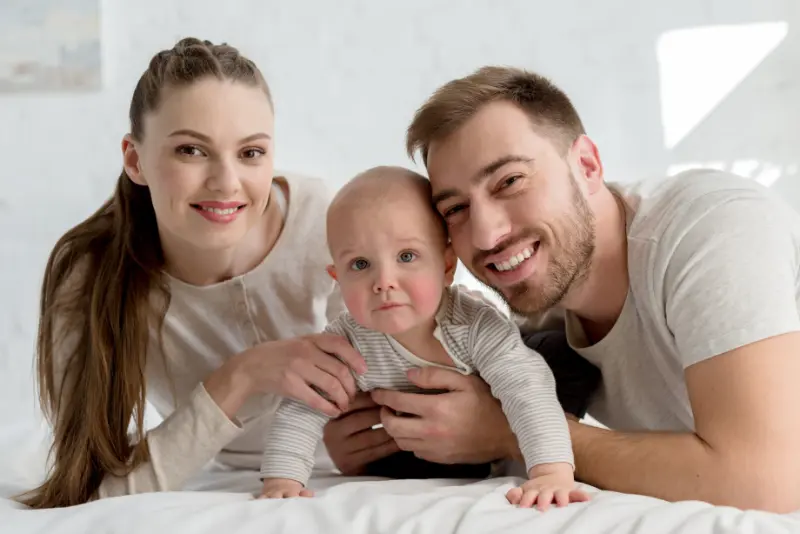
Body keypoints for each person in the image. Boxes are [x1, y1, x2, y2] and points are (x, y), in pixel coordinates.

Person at [371, 65, 800, 513]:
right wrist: (375, 438)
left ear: (587, 165)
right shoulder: (534, 301)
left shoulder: (712, 229)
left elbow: (767, 481)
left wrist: (515, 430)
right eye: (456, 208)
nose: (485, 234)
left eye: (510, 181)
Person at [17, 37, 372, 509]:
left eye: (250, 153)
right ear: (134, 159)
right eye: (191, 150)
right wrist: (240, 376)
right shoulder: (90, 274)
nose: (226, 182)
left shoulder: (331, 223)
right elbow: (89, 489)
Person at [257, 166, 589, 510]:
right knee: (391, 455)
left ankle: (546, 447)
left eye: (406, 257)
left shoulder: (473, 326)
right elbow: (302, 407)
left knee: (558, 356)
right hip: (423, 435)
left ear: (446, 267)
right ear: (336, 278)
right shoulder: (347, 343)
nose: (384, 281)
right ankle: (475, 464)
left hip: (496, 393)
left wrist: (551, 473)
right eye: (359, 264)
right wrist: (284, 479)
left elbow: (526, 388)